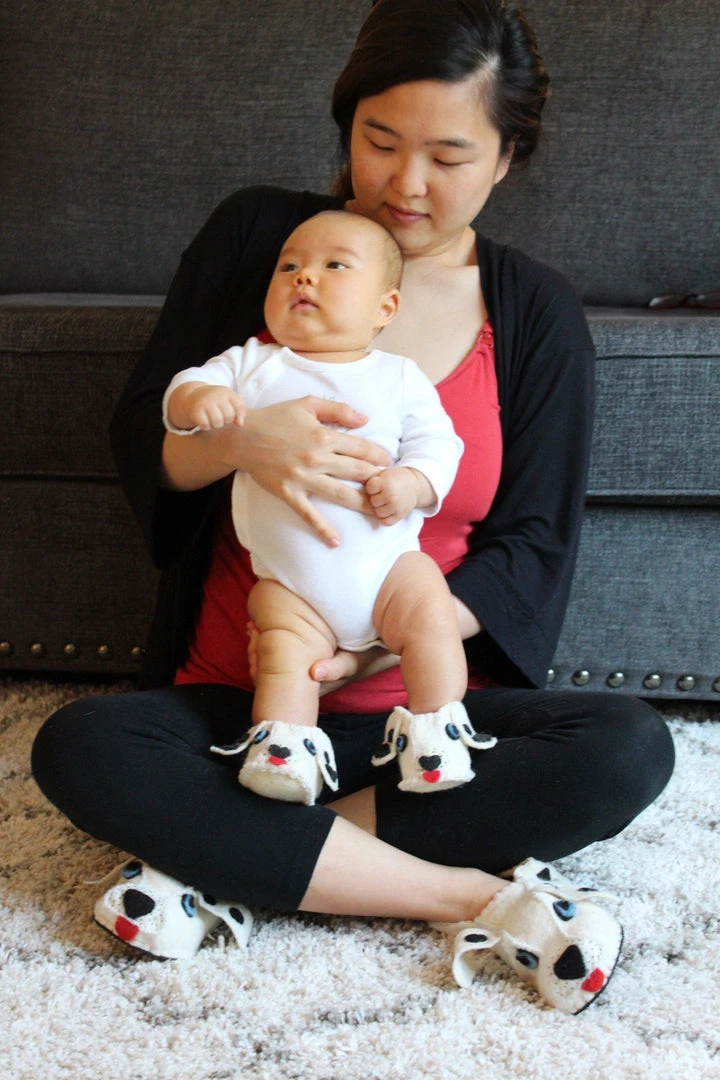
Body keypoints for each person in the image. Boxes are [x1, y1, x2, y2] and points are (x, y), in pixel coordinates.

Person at [31, 0, 675, 1015]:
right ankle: (469, 896)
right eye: (380, 141)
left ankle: (234, 864)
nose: (405, 184)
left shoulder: (536, 313)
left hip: (416, 729)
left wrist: (380, 647)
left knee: (627, 748)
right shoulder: (264, 240)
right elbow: (146, 440)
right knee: (78, 749)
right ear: (346, 123)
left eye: (449, 156)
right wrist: (244, 440)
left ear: (507, 158)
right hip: (242, 705)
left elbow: (532, 547)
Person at [163, 209, 487, 805]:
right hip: (293, 585)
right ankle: (284, 751)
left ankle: (436, 732)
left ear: (385, 308)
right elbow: (181, 389)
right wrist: (198, 400)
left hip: (389, 570)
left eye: (334, 266)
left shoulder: (398, 376)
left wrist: (413, 482)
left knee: (431, 615)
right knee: (282, 653)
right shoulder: (253, 363)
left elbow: (439, 444)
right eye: (288, 267)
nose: (304, 277)